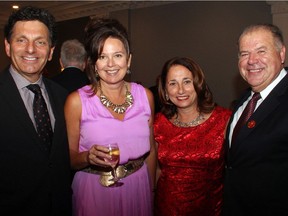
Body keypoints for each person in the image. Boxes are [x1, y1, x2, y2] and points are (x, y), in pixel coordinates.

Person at [64, 18, 156, 216]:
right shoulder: (76, 102)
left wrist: (151, 189)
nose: (111, 64)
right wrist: (87, 156)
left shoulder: (146, 96)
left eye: (118, 55)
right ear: (93, 64)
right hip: (94, 190)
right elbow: (68, 158)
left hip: (138, 188)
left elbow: (151, 148)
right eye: (103, 57)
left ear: (129, 60)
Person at [0, 6, 72, 216]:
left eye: (40, 42)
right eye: (21, 40)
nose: (30, 50)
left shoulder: (63, 96)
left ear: (50, 52)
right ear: (7, 46)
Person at [223, 24, 288, 215]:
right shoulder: (246, 98)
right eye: (244, 54)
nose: (251, 60)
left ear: (281, 54)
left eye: (261, 51)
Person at [154, 57, 231, 216]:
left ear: (199, 85)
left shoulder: (224, 120)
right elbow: (156, 171)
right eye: (173, 83)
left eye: (187, 81)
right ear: (166, 91)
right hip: (166, 208)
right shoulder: (158, 123)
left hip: (210, 208)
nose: (181, 90)